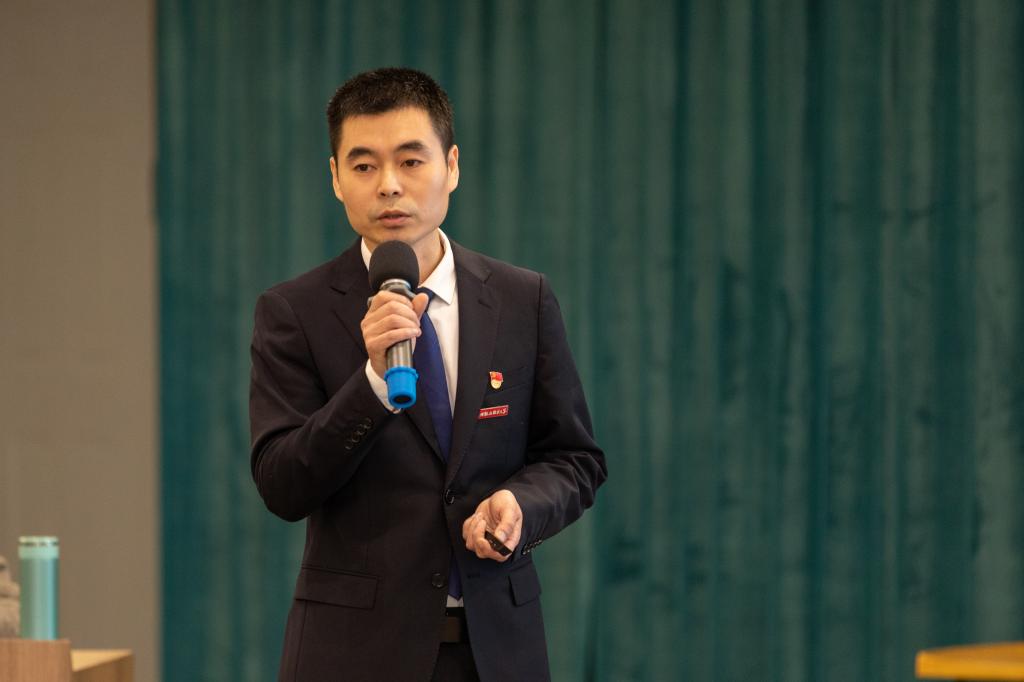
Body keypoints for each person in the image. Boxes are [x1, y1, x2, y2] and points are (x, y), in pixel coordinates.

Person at [249, 67, 606, 682]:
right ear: (335, 178)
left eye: (411, 161)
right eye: (364, 165)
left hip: (497, 653)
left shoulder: (522, 299)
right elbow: (282, 485)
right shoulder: (293, 312)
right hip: (353, 657)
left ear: (452, 166)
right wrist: (371, 385)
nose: (389, 185)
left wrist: (521, 505)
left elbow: (574, 459)